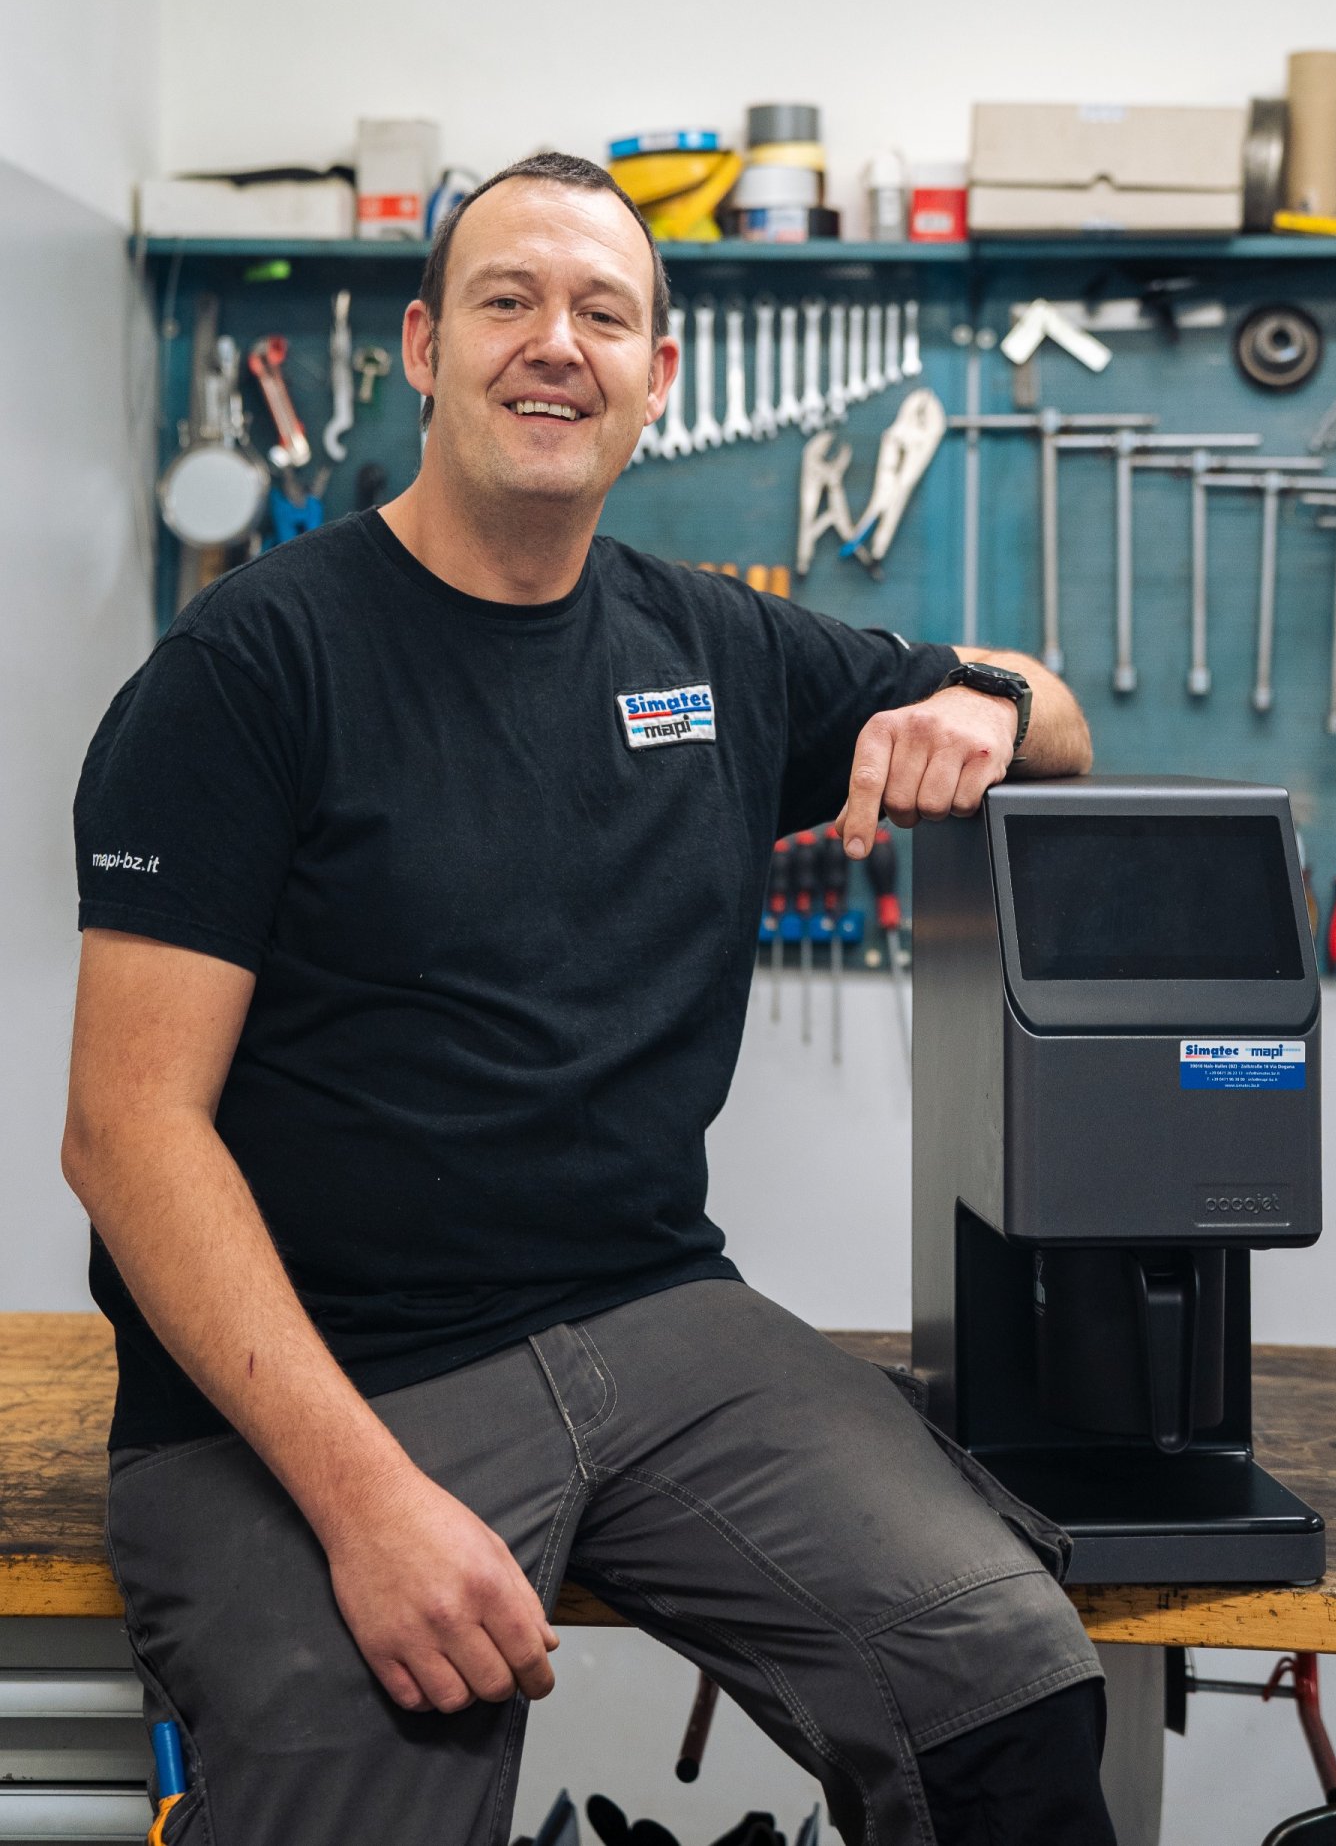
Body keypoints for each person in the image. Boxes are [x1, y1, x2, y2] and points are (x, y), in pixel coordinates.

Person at [65, 152, 1115, 1846]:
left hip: (654, 1319)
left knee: (1010, 1682)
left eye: (603, 313)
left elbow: (1058, 722)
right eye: (509, 299)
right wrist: (367, 1502)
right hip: (313, 1375)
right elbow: (127, 1131)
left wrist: (984, 699)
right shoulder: (248, 669)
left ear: (657, 374)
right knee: (361, 1801)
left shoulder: (719, 650)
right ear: (423, 349)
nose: (557, 342)